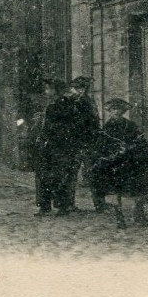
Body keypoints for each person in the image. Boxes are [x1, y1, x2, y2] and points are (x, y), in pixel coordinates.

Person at [87, 99, 148, 229]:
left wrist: (129, 148)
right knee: (115, 191)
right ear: (109, 111)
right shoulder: (107, 128)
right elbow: (101, 145)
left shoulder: (130, 125)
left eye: (118, 110)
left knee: (140, 189)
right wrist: (109, 154)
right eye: (112, 110)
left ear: (123, 111)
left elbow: (140, 142)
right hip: (114, 163)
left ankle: (139, 215)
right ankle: (119, 218)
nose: (115, 112)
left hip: (130, 162)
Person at [29, 79, 68, 217]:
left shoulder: (58, 105)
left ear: (55, 90)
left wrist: (45, 138)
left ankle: (56, 206)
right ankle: (49, 206)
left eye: (48, 88)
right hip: (53, 145)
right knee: (48, 175)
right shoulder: (54, 104)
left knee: (52, 175)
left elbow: (55, 127)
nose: (46, 91)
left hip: (55, 145)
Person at [62, 76, 101, 212]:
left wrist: (95, 138)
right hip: (73, 143)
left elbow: (96, 121)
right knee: (71, 174)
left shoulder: (90, 102)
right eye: (78, 88)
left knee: (93, 174)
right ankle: (68, 204)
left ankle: (99, 204)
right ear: (75, 89)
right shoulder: (69, 102)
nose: (81, 91)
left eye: (83, 88)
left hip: (88, 142)